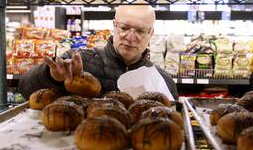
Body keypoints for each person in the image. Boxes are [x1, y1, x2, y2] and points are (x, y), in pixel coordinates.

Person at [18, 5, 178, 100]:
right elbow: (25, 89)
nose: (130, 37)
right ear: (114, 26)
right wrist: (51, 77)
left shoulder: (163, 82)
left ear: (150, 33)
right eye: (124, 28)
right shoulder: (78, 60)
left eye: (140, 31)